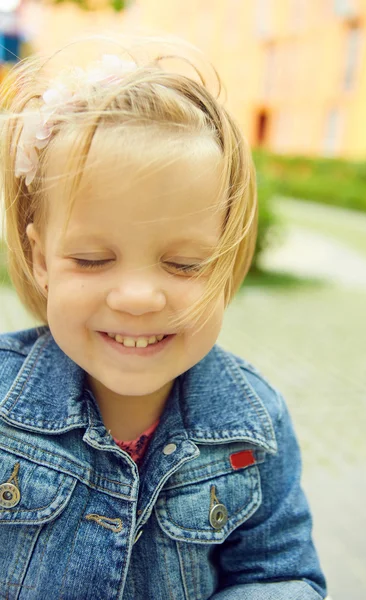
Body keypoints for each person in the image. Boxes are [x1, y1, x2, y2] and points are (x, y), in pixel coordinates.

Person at [0, 35, 327, 599]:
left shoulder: (255, 423)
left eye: (183, 264)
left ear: (226, 265)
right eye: (92, 259)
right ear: (40, 259)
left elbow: (282, 574)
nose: (137, 297)